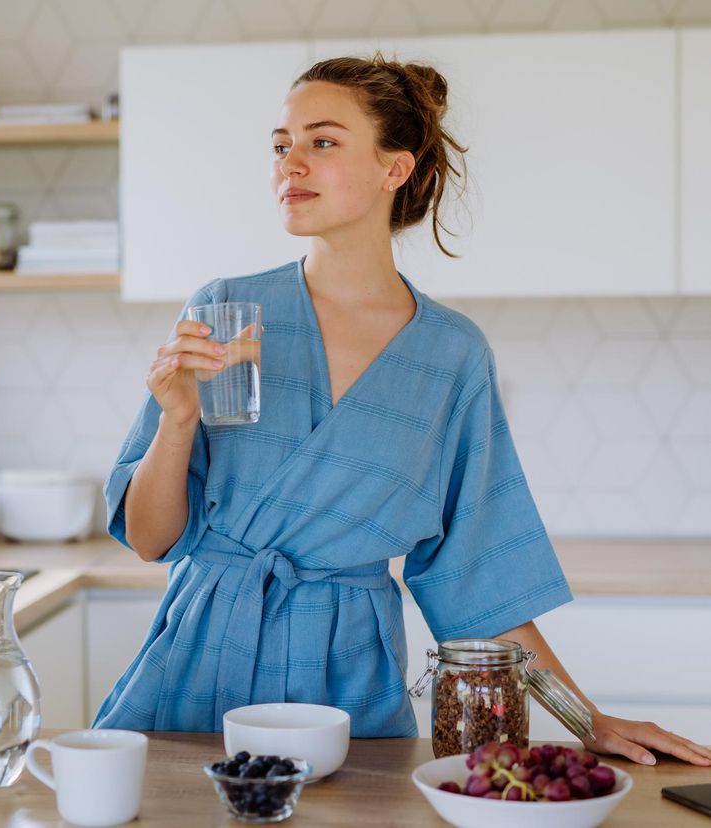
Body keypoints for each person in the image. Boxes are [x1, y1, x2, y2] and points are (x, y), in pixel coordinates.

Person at [93, 54, 711, 768]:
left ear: (396, 169)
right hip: (198, 670)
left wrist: (586, 720)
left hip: (344, 686)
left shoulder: (451, 358)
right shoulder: (227, 311)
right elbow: (149, 538)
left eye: (322, 142)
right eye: (280, 144)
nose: (289, 163)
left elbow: (479, 581)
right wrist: (176, 421)